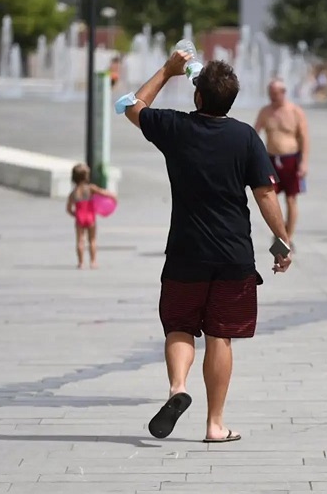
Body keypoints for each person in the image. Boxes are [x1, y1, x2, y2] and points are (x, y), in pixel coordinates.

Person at [120, 50, 292, 444]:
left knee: (179, 325)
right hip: (233, 256)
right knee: (220, 336)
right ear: (230, 101)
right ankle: (215, 425)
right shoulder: (245, 136)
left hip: (185, 251)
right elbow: (266, 195)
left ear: (197, 96)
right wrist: (282, 243)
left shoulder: (175, 127)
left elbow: (133, 106)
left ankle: (178, 388)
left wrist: (167, 70)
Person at [254, 78, 310, 248]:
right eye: (270, 94)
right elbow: (254, 134)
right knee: (270, 198)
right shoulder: (265, 112)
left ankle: (288, 238)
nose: (273, 97)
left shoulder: (295, 111)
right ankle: (280, 235)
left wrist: (304, 163)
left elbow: (304, 138)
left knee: (291, 200)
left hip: (291, 159)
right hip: (271, 160)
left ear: (283, 93)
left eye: (276, 94)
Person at [66, 163, 117, 270]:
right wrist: (113, 197)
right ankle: (93, 262)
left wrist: (75, 215)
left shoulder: (73, 193)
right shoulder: (90, 188)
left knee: (80, 240)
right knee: (92, 240)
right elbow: (103, 193)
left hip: (80, 217)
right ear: (86, 177)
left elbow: (69, 209)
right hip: (90, 217)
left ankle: (80, 263)